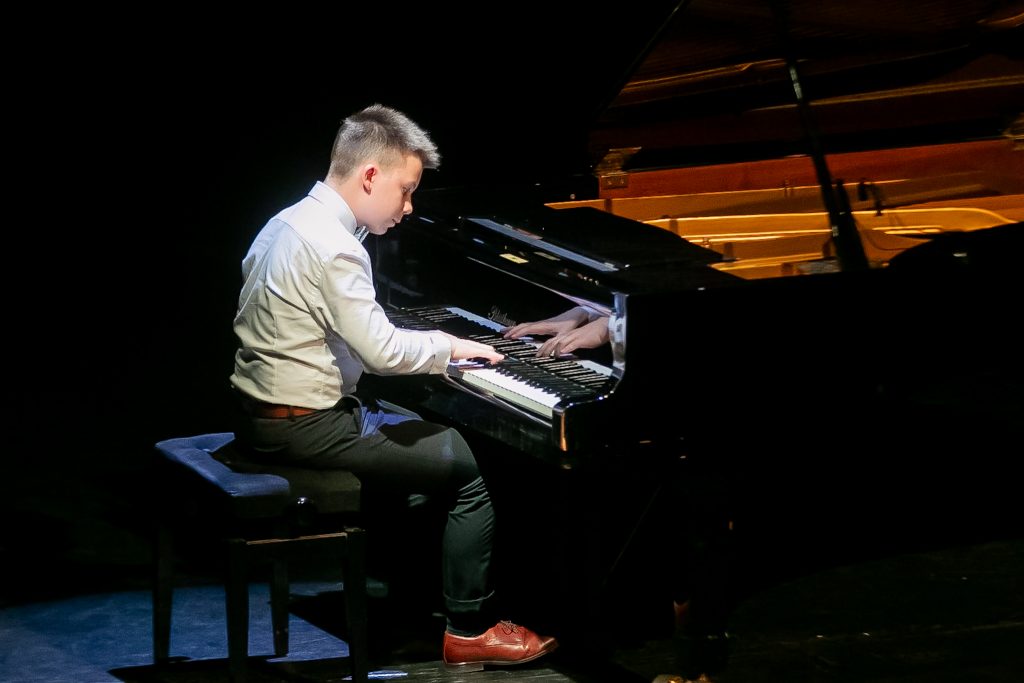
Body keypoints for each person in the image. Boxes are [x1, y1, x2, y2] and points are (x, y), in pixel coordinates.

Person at [229, 103, 558, 671]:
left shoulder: (286, 221)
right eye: (405, 191)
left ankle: (409, 601)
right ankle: (469, 630)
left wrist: (416, 342)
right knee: (472, 469)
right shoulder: (335, 246)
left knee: (417, 450)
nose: (408, 207)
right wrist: (450, 345)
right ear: (369, 176)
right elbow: (381, 353)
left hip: (261, 415)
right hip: (307, 427)